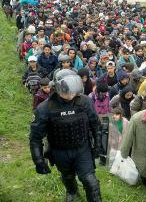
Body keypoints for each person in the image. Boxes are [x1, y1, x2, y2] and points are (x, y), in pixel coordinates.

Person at [29, 69, 102, 202]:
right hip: (59, 151)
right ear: (57, 88)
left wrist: (98, 147)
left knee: (91, 182)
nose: (71, 94)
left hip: (82, 148)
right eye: (67, 91)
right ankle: (72, 191)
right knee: (68, 176)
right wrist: (38, 160)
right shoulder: (45, 108)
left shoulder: (85, 102)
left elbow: (95, 125)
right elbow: (35, 137)